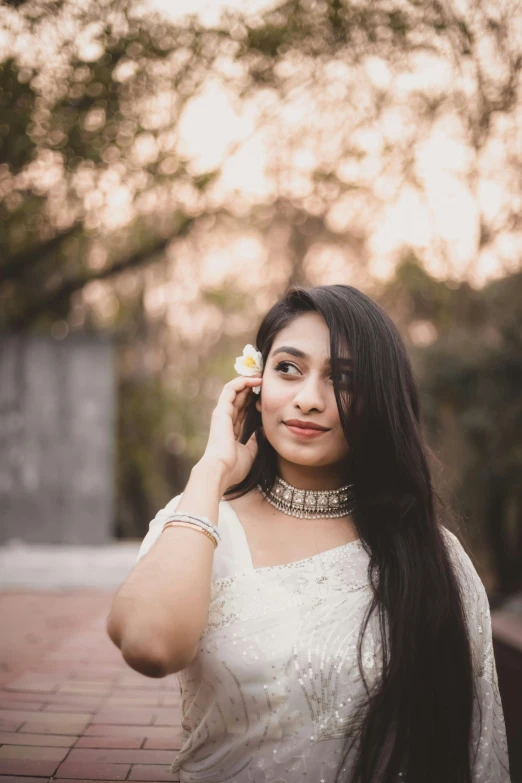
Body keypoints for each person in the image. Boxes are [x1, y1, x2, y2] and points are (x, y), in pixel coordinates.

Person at [107, 284, 511, 783]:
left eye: (342, 379)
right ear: (255, 384)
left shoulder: (429, 556)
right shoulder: (200, 519)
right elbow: (149, 645)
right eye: (288, 369)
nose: (309, 399)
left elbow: (474, 749)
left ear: (379, 399)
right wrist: (212, 469)